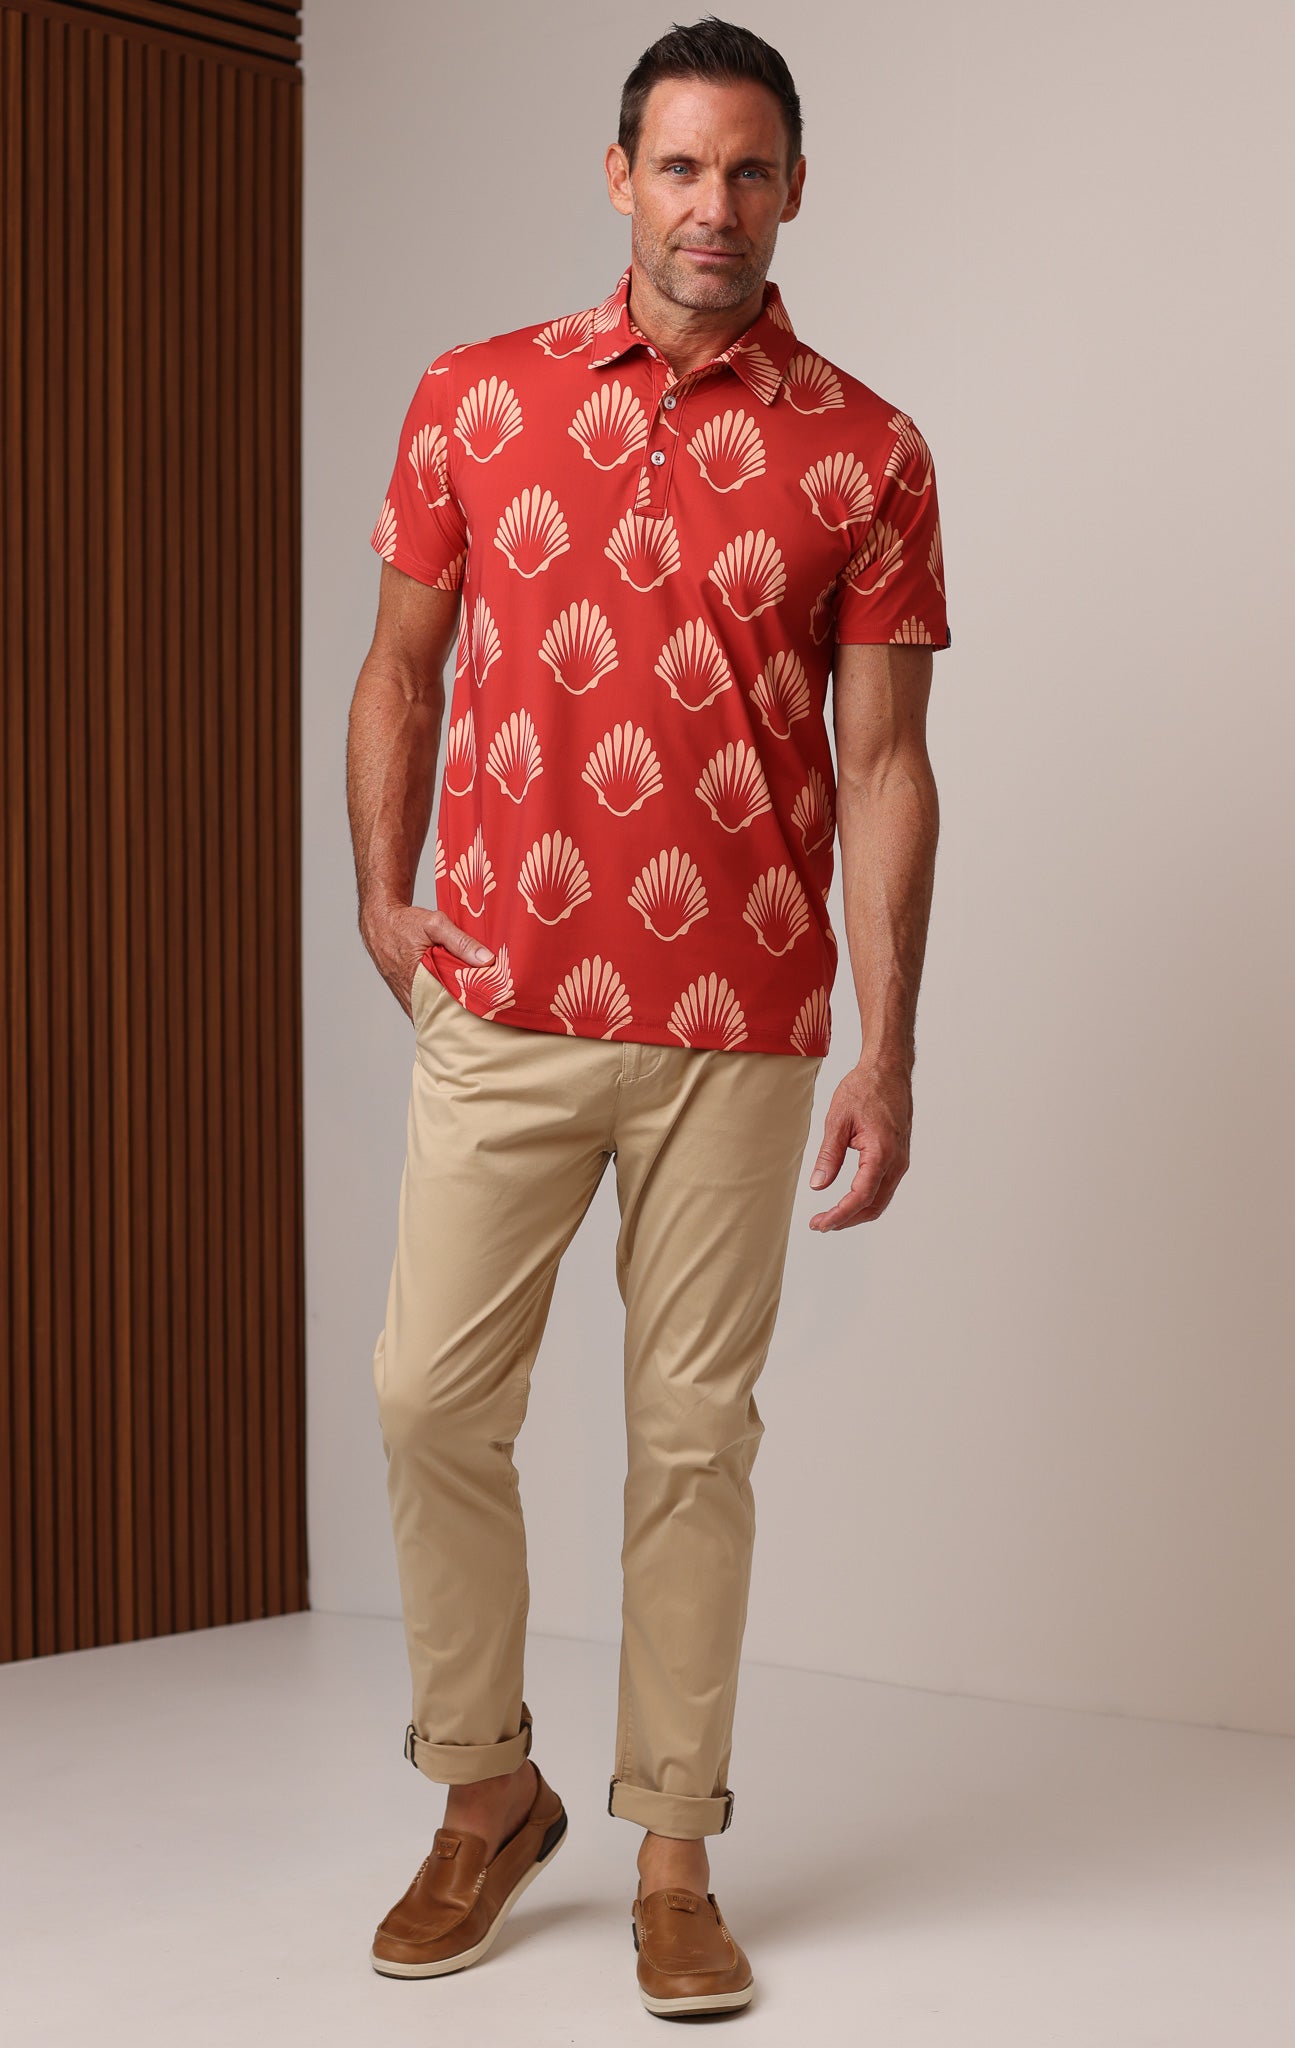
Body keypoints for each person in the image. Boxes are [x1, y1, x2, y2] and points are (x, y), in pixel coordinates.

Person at [346, 13, 950, 2019]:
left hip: (743, 1021)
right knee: (429, 1398)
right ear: (621, 178)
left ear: (796, 190)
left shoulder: (869, 450)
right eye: (681, 166)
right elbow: (401, 664)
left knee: (693, 1441)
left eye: (750, 170)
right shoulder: (475, 395)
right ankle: (487, 1791)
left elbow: (885, 764)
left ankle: (674, 1849)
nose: (715, 205)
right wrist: (381, 895)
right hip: (505, 995)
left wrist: (888, 1043)